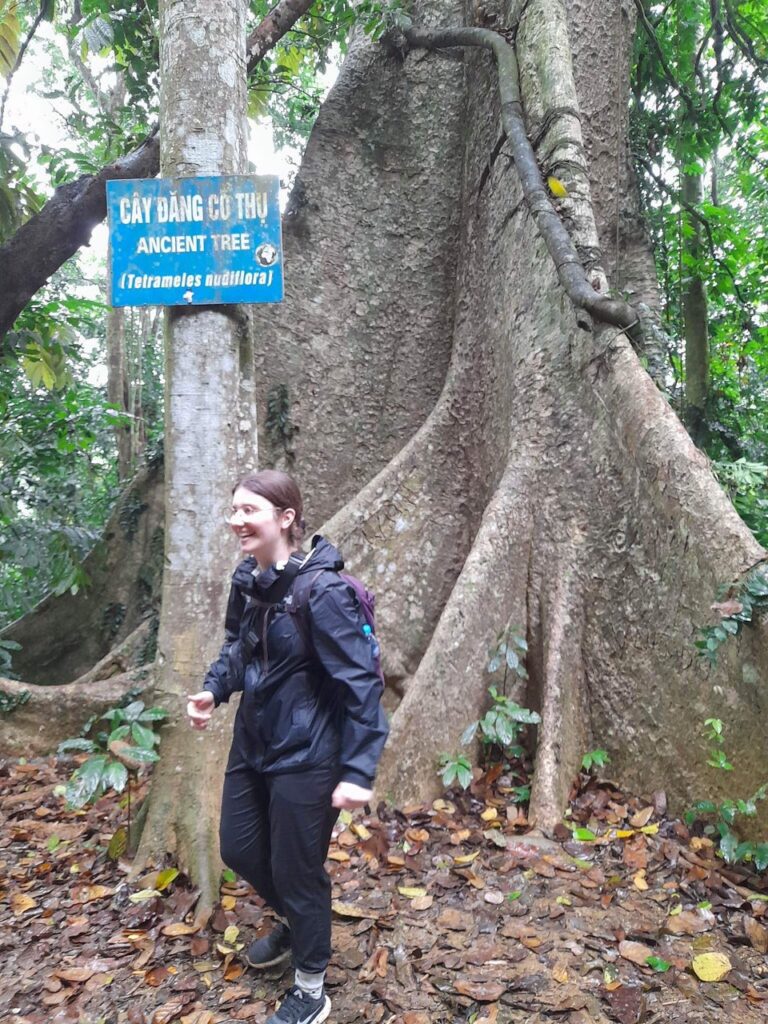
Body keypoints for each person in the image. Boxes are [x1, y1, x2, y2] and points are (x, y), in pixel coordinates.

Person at [186, 470, 389, 1024]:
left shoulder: (323, 592)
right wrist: (212, 688)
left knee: (298, 872)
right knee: (240, 849)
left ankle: (311, 985)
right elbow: (238, 647)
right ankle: (304, 922)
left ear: (286, 517)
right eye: (233, 510)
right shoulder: (249, 580)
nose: (236, 520)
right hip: (252, 743)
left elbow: (363, 685)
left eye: (248, 509)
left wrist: (357, 767)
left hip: (309, 755)